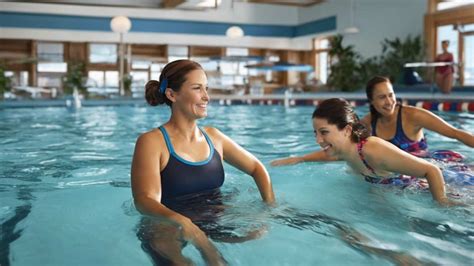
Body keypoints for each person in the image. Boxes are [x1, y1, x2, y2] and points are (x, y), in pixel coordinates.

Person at [131, 59, 275, 265]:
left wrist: (268, 209)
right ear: (172, 94)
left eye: (206, 88)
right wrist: (183, 222)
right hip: (168, 225)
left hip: (214, 219)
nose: (206, 97)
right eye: (197, 88)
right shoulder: (152, 142)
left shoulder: (214, 137)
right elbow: (145, 200)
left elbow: (257, 168)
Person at [271, 76, 473, 166]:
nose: (389, 101)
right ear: (371, 101)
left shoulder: (413, 116)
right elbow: (341, 149)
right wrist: (300, 158)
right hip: (397, 176)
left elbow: (455, 134)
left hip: (431, 164)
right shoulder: (367, 124)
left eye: (391, 95)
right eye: (382, 97)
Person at [311, 98, 458, 206]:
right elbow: (323, 156)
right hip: (401, 189)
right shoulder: (344, 151)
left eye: (324, 132)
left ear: (347, 130)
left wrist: (442, 203)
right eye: (315, 133)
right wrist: (296, 159)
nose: (318, 140)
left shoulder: (373, 149)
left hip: (439, 185)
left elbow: (431, 170)